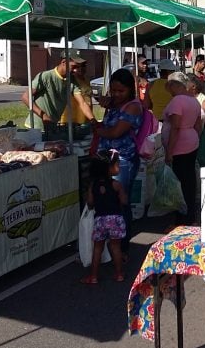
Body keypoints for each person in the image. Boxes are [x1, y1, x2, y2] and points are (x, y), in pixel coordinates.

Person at [94, 68, 143, 259]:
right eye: (113, 90)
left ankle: (122, 247)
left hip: (123, 160)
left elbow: (116, 132)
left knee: (121, 203)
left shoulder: (132, 106)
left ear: (130, 89)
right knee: (109, 203)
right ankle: (111, 245)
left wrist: (98, 131)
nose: (116, 94)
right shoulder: (114, 104)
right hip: (109, 158)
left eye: (120, 91)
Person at [80, 150, 127, 285]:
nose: (118, 166)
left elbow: (89, 203)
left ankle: (93, 276)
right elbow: (124, 201)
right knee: (115, 247)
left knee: (97, 248)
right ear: (108, 168)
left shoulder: (93, 186)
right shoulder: (116, 185)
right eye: (117, 164)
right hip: (115, 219)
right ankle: (119, 274)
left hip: (100, 220)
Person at [162, 71, 202, 224]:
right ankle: (190, 214)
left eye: (168, 86)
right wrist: (194, 138)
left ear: (174, 85)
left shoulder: (177, 101)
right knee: (189, 180)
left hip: (179, 145)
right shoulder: (194, 101)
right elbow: (198, 126)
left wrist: (169, 152)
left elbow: (175, 127)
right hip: (191, 141)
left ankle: (182, 217)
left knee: (179, 182)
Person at [21, 52, 96, 133]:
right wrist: (43, 115)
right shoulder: (46, 76)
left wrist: (93, 120)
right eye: (73, 66)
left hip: (52, 127)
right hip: (35, 127)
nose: (76, 70)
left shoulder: (72, 81)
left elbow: (82, 103)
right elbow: (25, 97)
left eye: (78, 67)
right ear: (63, 62)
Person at [186, 74, 205, 167]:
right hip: (194, 135)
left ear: (193, 86)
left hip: (202, 135)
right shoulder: (188, 98)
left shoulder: (203, 100)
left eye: (186, 83)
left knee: (203, 161)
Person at [143, 59, 178, 124]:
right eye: (173, 71)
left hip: (156, 121)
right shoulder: (175, 85)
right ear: (168, 71)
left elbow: (146, 105)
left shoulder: (151, 85)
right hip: (172, 120)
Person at [59, 58, 93, 126]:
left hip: (85, 118)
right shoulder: (70, 81)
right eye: (77, 66)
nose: (81, 69)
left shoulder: (86, 80)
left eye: (83, 65)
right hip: (71, 120)